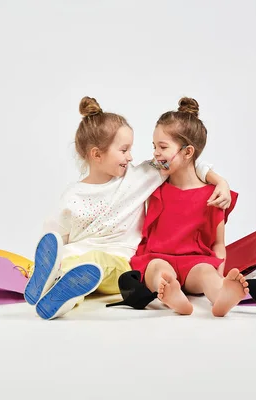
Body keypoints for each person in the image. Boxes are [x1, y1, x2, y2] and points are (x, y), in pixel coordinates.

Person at [25, 96, 232, 320]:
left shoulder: (139, 177)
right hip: (78, 258)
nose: (132, 157)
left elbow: (185, 159)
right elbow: (54, 236)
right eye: (124, 150)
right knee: (69, 263)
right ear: (96, 154)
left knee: (92, 265)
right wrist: (48, 259)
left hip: (119, 260)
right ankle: (51, 289)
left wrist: (220, 181)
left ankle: (63, 291)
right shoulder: (72, 195)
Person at [130, 97, 248, 317]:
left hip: (195, 263)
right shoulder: (153, 186)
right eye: (154, 146)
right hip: (156, 256)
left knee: (206, 273)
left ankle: (221, 295)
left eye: (163, 147)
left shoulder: (214, 195)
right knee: (159, 270)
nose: (156, 152)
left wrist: (218, 272)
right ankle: (171, 294)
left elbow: (218, 243)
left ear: (188, 152)